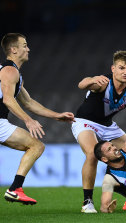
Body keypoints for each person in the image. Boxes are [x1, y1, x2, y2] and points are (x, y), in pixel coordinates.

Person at [0, 33, 74, 205]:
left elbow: (29, 102)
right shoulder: (9, 70)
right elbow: (8, 99)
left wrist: (57, 115)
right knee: (36, 145)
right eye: (24, 45)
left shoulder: (13, 72)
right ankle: (15, 189)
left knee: (35, 146)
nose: (28, 48)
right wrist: (28, 121)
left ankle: (15, 189)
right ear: (13, 50)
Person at [71, 50, 126, 213]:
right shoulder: (103, 83)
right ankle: (87, 202)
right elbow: (81, 84)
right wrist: (91, 79)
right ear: (113, 68)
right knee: (92, 154)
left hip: (107, 125)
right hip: (85, 121)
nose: (125, 72)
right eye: (121, 68)